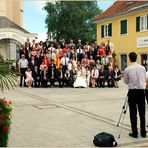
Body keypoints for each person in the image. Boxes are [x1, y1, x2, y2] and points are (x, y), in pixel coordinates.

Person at [124, 52, 146, 138]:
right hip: (141, 91)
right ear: (136, 58)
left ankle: (135, 132)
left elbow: (125, 81)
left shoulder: (127, 69)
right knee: (142, 112)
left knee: (133, 113)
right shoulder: (143, 68)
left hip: (132, 92)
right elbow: (144, 78)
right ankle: (143, 132)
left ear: (129, 58)